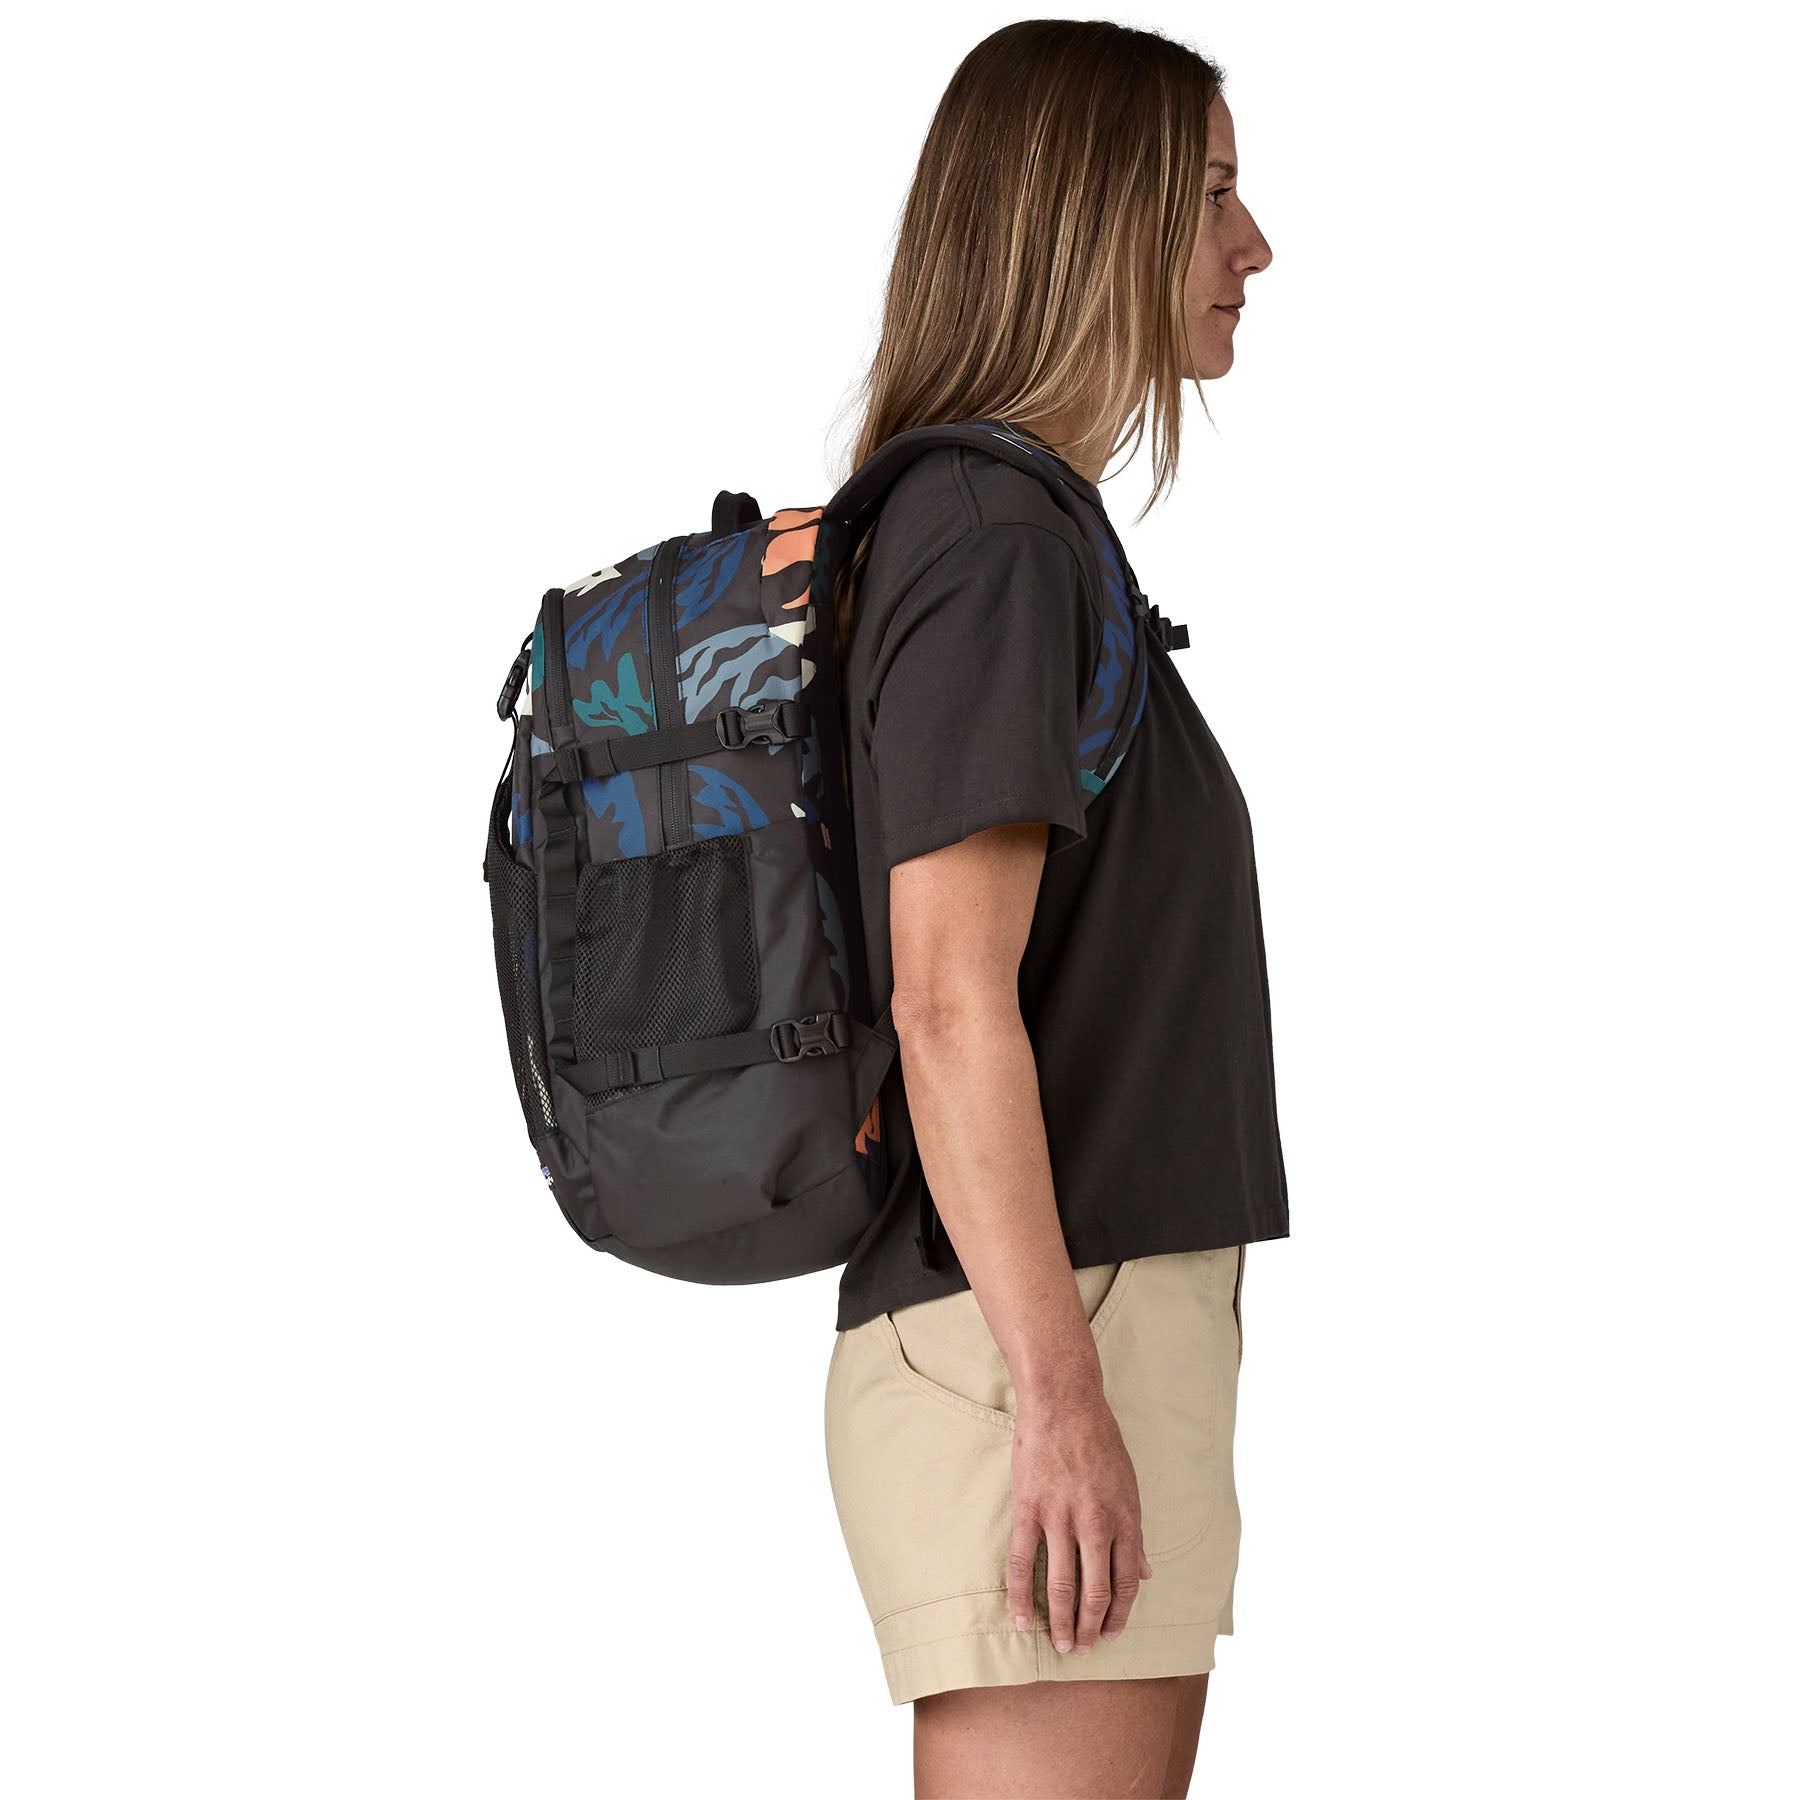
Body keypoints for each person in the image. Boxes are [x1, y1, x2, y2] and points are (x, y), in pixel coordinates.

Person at [821, 20, 1287, 1797]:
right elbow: (947, 1001)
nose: (1255, 247)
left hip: (1065, 1318)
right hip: (1038, 1336)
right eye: (1215, 195)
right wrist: (1065, 1396)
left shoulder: (1015, 533)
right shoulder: (993, 539)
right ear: (1094, 218)